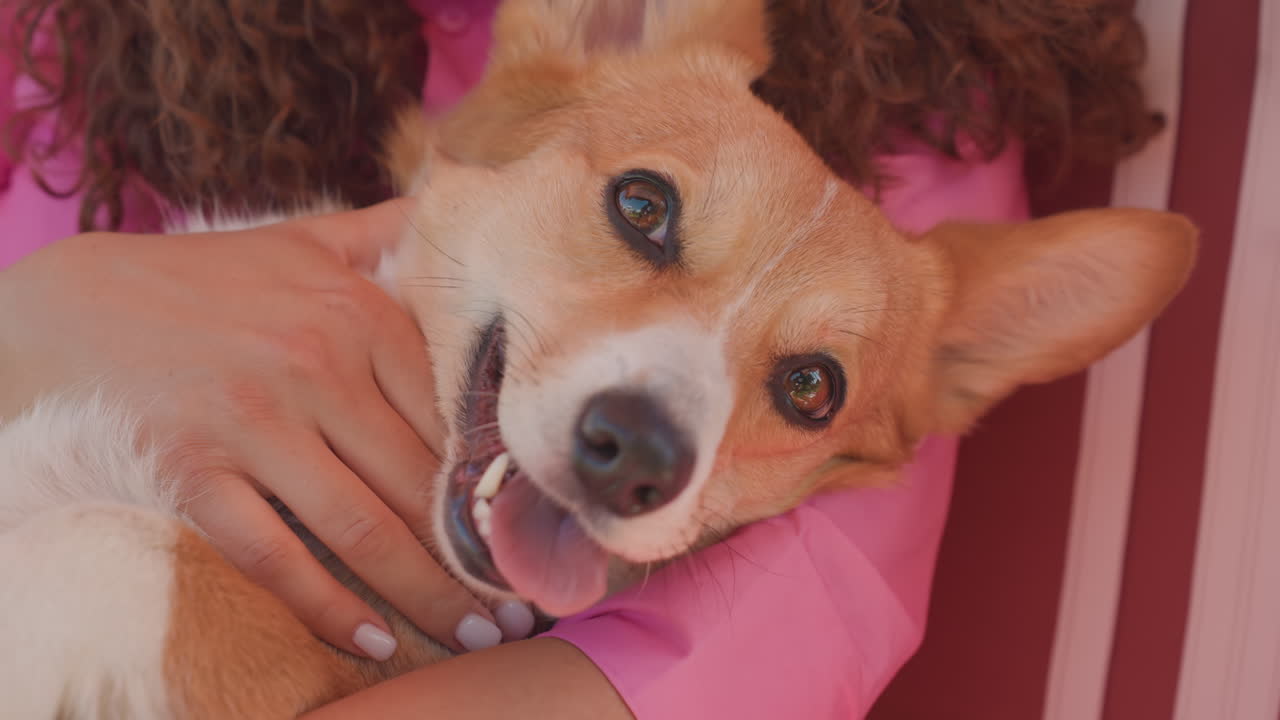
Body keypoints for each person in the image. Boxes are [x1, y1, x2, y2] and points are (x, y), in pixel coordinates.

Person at [0, 0, 1160, 716]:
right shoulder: (74, 43)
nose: (656, 422)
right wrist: (36, 316)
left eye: (805, 386)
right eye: (646, 214)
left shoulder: (917, 95)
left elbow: (781, 632)